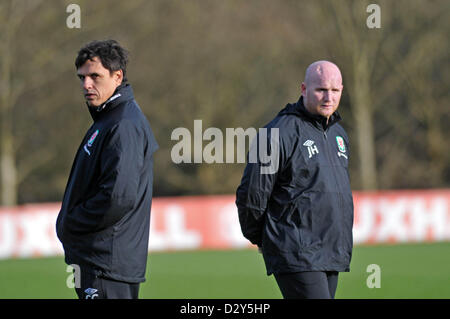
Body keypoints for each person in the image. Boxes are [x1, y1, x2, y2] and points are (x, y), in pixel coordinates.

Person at [236, 60, 353, 299]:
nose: (328, 97)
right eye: (321, 89)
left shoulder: (338, 134)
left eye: (335, 90)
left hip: (331, 250)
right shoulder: (275, 133)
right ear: (303, 89)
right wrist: (264, 238)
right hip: (296, 250)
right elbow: (252, 194)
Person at [56, 40, 158, 299]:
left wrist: (73, 221)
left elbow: (119, 196)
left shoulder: (123, 124)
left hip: (106, 263)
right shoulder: (108, 119)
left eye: (95, 76)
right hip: (99, 261)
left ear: (117, 76)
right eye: (82, 78)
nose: (86, 85)